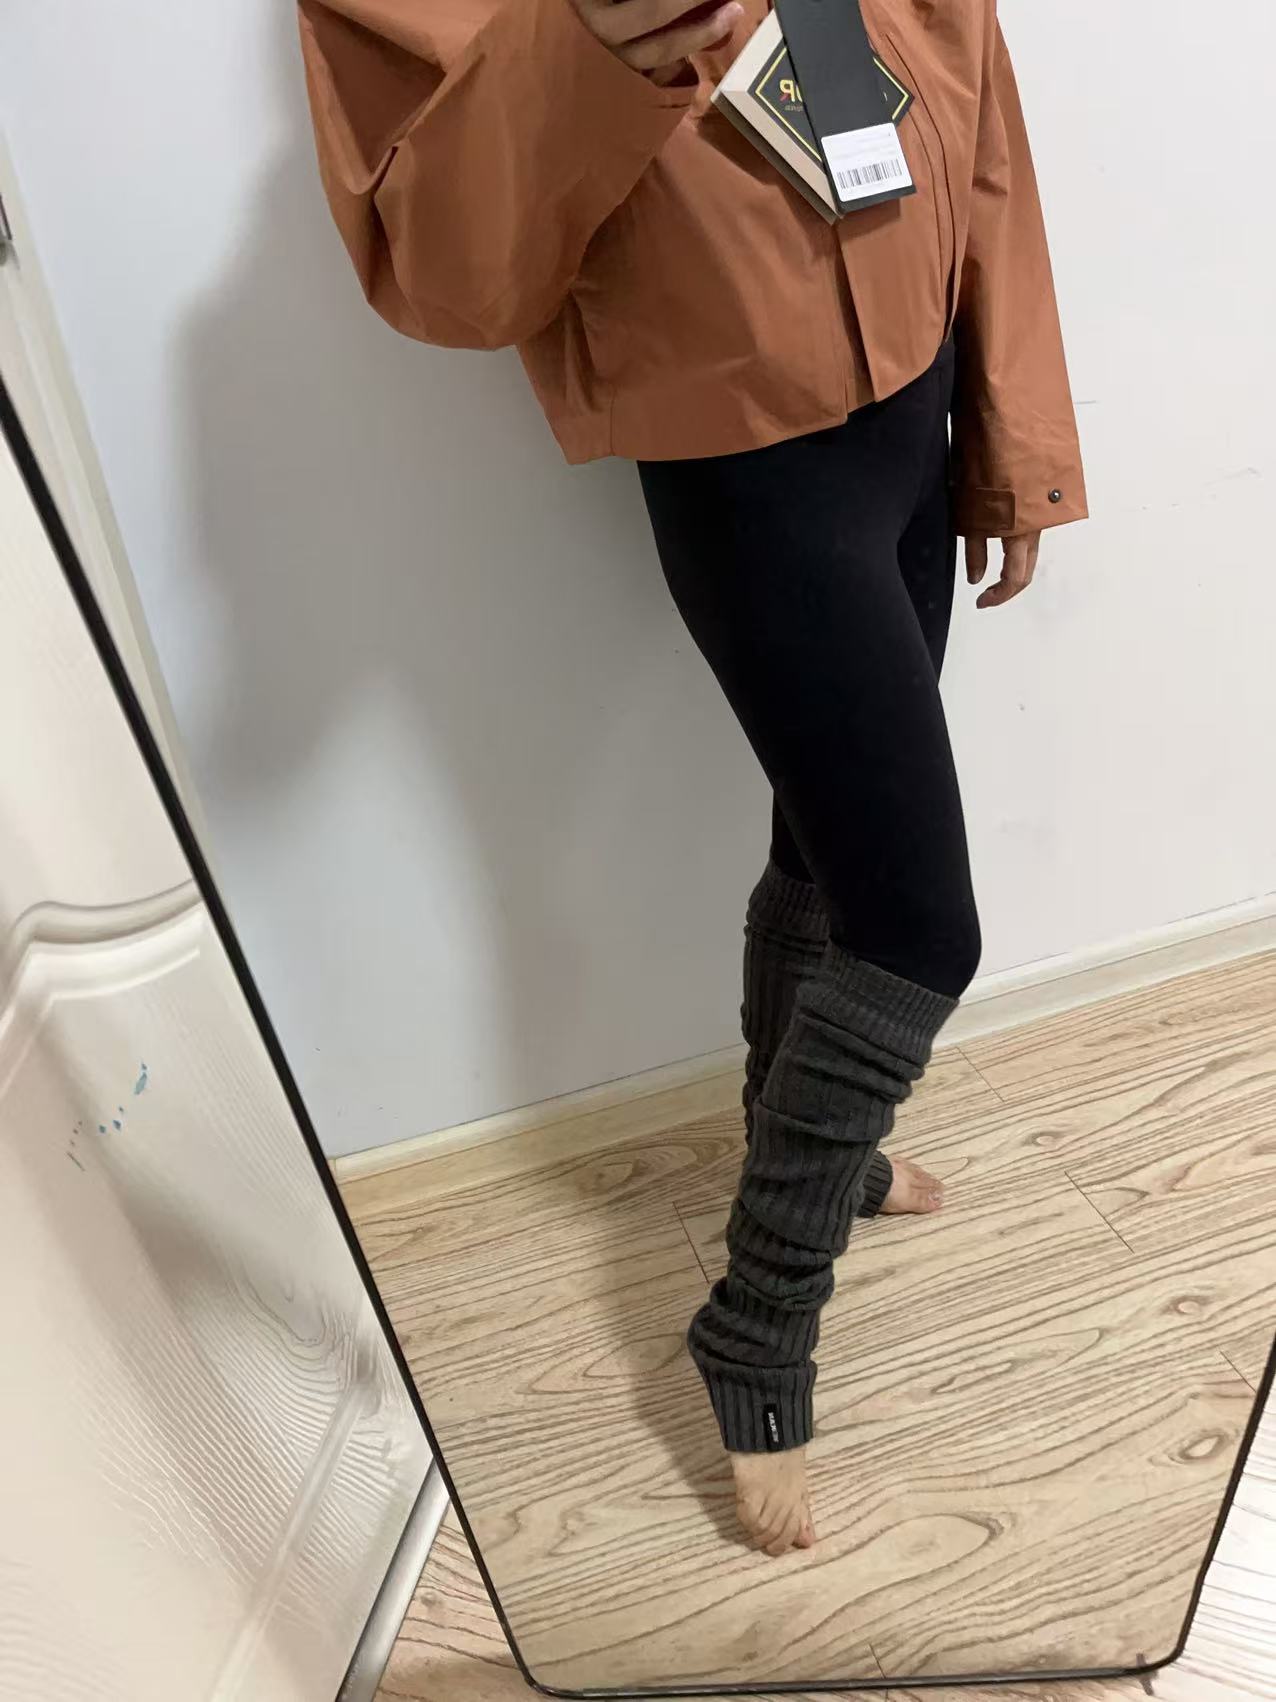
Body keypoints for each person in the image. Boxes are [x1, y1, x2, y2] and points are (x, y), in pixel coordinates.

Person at [298, 0, 1086, 1557]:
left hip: (916, 402)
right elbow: (444, 269)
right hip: (745, 459)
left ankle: (823, 1160)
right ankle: (758, 1317)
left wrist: (1014, 432)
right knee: (920, 929)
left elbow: (971, 88)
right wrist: (597, 48)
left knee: (833, 846)